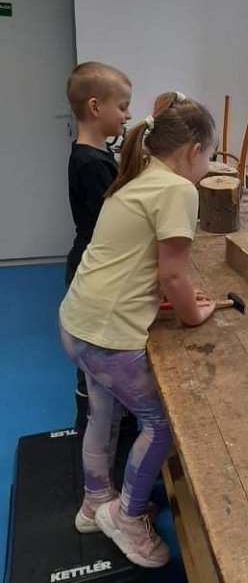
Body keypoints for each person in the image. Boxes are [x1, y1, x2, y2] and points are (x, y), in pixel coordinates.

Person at [59, 92, 217, 568]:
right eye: (209, 157)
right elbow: (173, 275)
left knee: (103, 413)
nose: (208, 167)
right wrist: (193, 314)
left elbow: (135, 262)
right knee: (160, 424)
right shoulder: (179, 189)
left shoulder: (138, 174)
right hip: (107, 338)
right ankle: (126, 517)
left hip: (77, 322)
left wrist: (170, 297)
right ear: (193, 151)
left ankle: (95, 503)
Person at [65, 62, 132, 430]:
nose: (127, 114)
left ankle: (109, 426)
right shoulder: (92, 165)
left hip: (94, 265)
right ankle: (89, 429)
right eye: (122, 106)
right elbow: (111, 228)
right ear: (95, 107)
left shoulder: (99, 156)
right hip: (92, 272)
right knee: (93, 362)